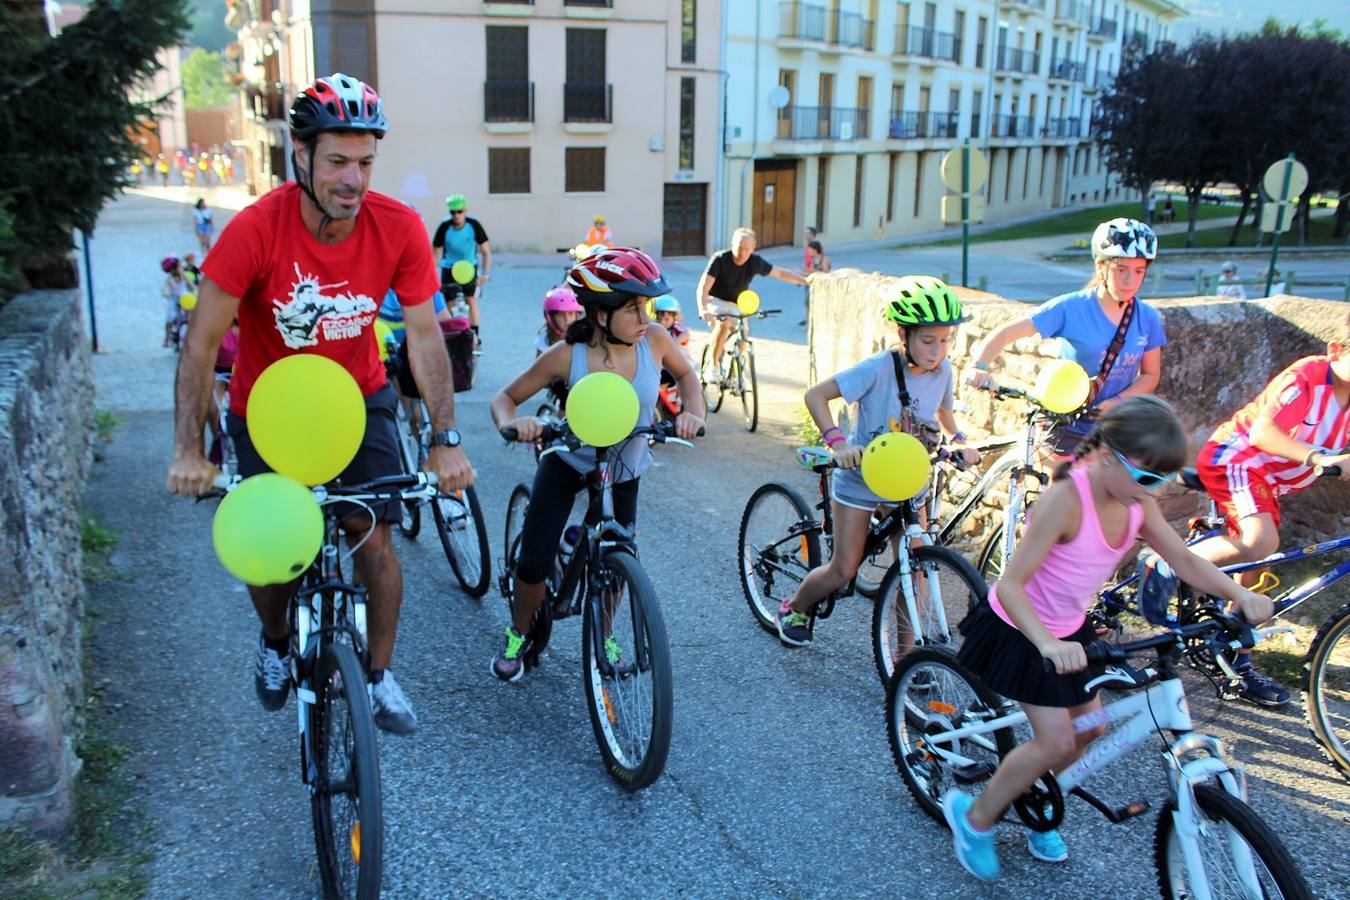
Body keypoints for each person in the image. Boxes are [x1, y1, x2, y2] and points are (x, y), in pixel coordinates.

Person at [166, 73, 474, 735]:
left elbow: (424, 337)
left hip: (356, 400)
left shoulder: (397, 228)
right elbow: (200, 346)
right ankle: (277, 641)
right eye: (337, 161)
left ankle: (380, 674)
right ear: (300, 157)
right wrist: (189, 449)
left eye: (365, 163)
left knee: (376, 545)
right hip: (269, 408)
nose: (353, 179)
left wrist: (445, 440)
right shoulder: (254, 231)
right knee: (275, 547)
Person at [941, 396, 1274, 882]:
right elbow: (1010, 585)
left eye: (1163, 478)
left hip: (1069, 628)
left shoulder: (1137, 503)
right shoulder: (1067, 499)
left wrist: (1238, 596)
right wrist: (1046, 644)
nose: (1153, 489)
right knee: (1055, 739)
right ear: (1106, 455)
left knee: (1091, 730)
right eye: (1146, 477)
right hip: (1023, 628)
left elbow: (1184, 560)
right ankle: (974, 817)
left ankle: (1031, 798)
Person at [488, 247, 706, 681]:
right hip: (569, 460)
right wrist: (516, 423)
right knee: (533, 561)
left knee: (618, 557)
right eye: (633, 309)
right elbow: (504, 399)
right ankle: (518, 632)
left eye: (646, 307)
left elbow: (687, 377)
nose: (646, 318)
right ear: (602, 315)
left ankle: (604, 634)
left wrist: (693, 412)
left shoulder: (656, 342)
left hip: (624, 467)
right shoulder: (569, 355)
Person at [774, 277, 980, 646]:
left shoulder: (944, 371)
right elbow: (816, 395)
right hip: (862, 478)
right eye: (928, 340)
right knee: (843, 568)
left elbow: (944, 413)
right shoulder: (878, 368)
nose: (937, 350)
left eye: (945, 340)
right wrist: (837, 443)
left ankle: (906, 658)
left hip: (908, 479)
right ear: (904, 335)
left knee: (913, 571)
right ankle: (795, 608)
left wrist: (960, 440)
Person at [1183, 310, 1350, 705]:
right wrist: (1319, 459)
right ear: (1336, 351)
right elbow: (1264, 432)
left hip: (1271, 481)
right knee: (1260, 541)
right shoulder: (1309, 375)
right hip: (1238, 457)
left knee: (1256, 573)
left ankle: (1238, 661)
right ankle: (1167, 562)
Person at [968, 218, 1166, 456]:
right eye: (1121, 269)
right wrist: (979, 366)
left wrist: (1118, 402)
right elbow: (1008, 332)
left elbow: (1150, 375)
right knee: (1064, 490)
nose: (1129, 280)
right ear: (1101, 266)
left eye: (1138, 271)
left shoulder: (1148, 318)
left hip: (1115, 426)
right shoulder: (1071, 307)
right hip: (1067, 423)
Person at [698, 227, 808, 377]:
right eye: (739, 247)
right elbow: (704, 287)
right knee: (725, 323)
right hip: (717, 300)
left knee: (743, 337)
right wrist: (703, 309)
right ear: (732, 244)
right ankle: (714, 366)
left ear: (753, 249)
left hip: (738, 303)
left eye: (746, 249)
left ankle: (736, 374)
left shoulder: (755, 262)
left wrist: (805, 280)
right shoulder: (720, 260)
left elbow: (780, 272)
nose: (742, 253)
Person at [431, 194, 491, 340]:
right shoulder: (444, 227)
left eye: (459, 211)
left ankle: (475, 334)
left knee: (471, 299)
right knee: (449, 301)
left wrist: (485, 273)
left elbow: (486, 251)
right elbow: (435, 252)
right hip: (449, 267)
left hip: (469, 268)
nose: (456, 215)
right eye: (453, 212)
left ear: (465, 211)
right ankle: (454, 332)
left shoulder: (474, 226)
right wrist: (431, 274)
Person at [536, 286, 583, 356]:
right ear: (551, 318)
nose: (567, 320)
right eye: (560, 315)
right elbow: (539, 366)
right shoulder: (545, 340)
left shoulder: (584, 337)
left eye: (571, 313)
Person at [160, 255, 190, 347]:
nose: (181, 268)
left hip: (184, 298)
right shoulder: (169, 278)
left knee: (191, 315)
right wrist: (166, 294)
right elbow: (163, 289)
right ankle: (167, 337)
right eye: (179, 266)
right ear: (173, 269)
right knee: (170, 317)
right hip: (173, 298)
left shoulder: (183, 275)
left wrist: (195, 291)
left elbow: (190, 284)